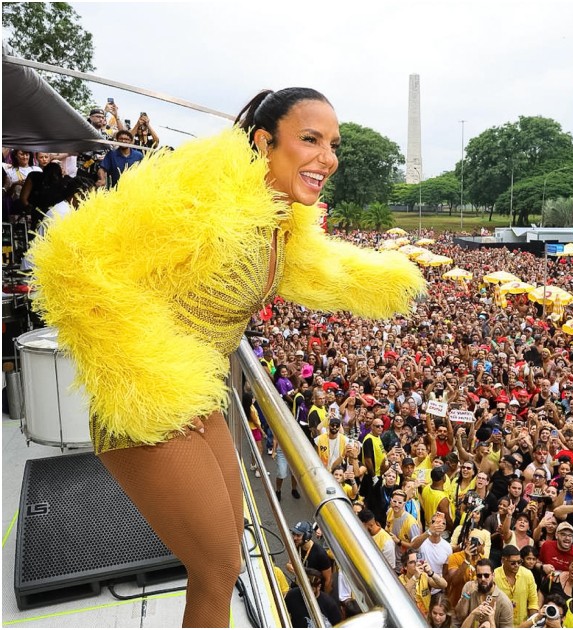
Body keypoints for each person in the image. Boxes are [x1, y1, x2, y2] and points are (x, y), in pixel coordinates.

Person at [27, 87, 427, 627]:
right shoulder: (205, 193)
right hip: (147, 406)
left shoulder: (282, 218)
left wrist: (390, 279)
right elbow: (73, 258)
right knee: (216, 567)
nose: (327, 157)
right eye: (310, 139)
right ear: (264, 141)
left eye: (333, 145)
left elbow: (320, 271)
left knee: (225, 558)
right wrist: (152, 378)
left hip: (197, 398)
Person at [456, 559, 515, 628]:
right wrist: (467, 594)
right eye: (479, 576)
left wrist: (491, 621)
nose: (483, 579)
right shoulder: (469, 588)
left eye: (486, 575)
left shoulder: (503, 601)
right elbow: (460, 616)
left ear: (493, 575)